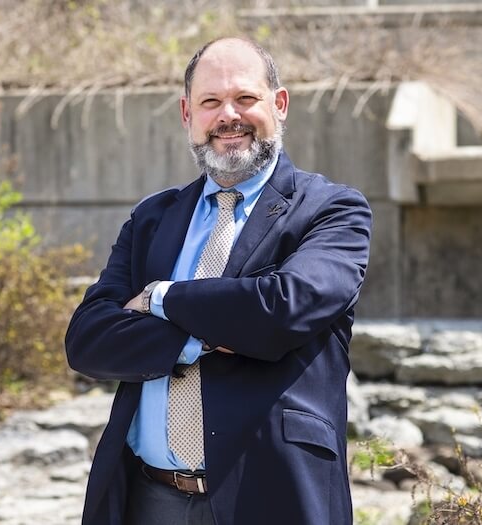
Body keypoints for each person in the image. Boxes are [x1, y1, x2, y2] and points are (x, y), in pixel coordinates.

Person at [64, 37, 372, 525]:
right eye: (211, 102)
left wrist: (162, 297)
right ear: (188, 114)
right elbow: (87, 340)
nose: (229, 115)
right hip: (149, 499)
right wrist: (206, 336)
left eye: (245, 98)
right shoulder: (153, 218)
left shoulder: (330, 211)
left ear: (280, 104)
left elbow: (280, 309)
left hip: (273, 494)